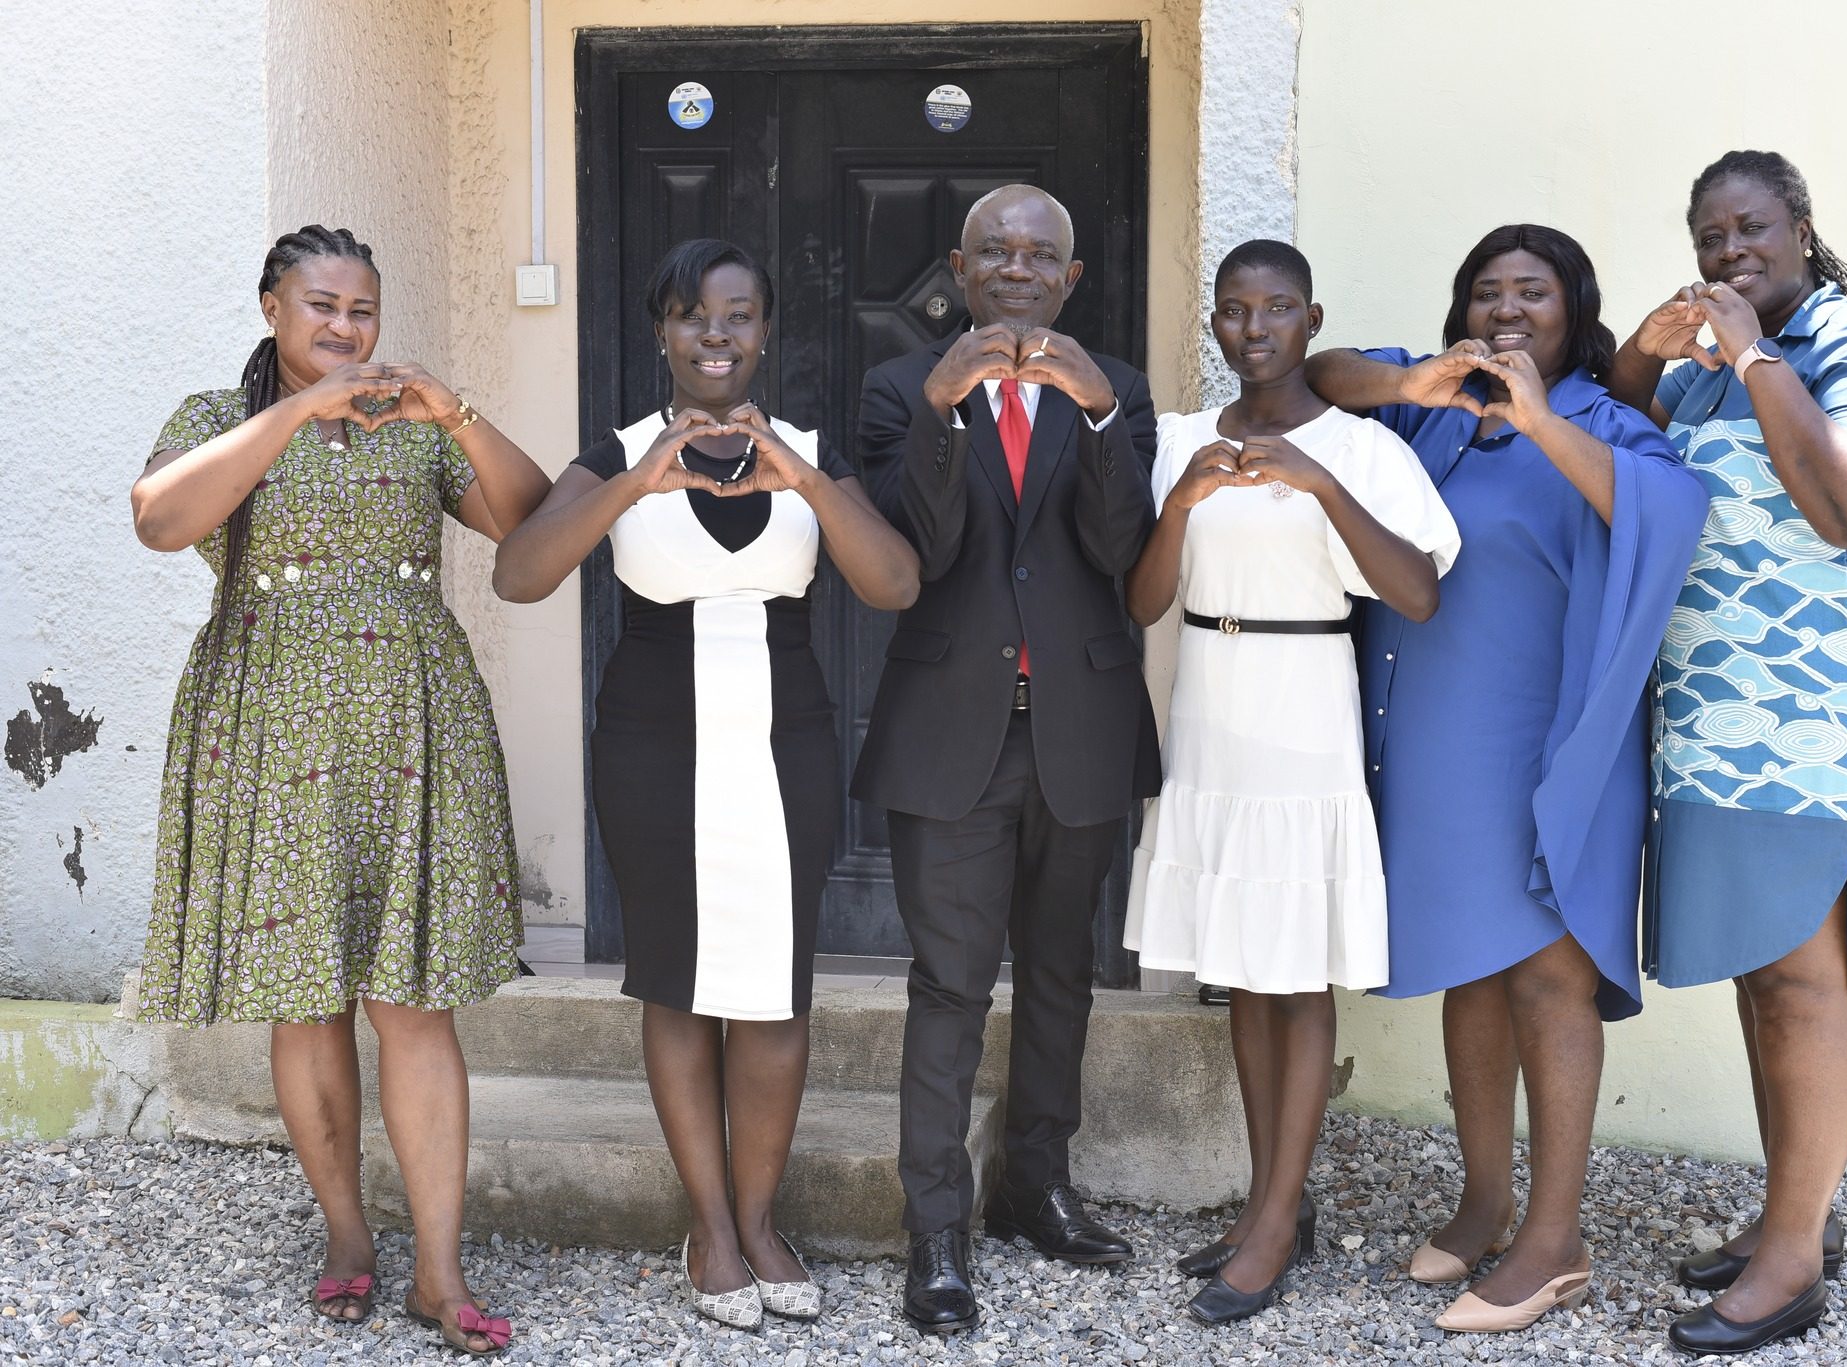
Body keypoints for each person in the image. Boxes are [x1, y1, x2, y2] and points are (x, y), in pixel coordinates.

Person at [131, 225, 553, 1356]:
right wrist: (295, 414)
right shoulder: (217, 419)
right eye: (320, 305)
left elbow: (536, 524)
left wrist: (453, 409)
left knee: (412, 996)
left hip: (411, 716)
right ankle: (346, 1238)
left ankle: (440, 1269)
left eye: (361, 309)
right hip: (268, 715)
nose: (344, 327)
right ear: (271, 306)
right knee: (306, 990)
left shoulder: (413, 424)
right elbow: (160, 519)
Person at [492, 238, 919, 1330]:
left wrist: (805, 478)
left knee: (773, 985)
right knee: (676, 979)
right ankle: (711, 1226)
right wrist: (638, 481)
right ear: (661, 333)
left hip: (785, 740)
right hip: (652, 739)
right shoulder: (618, 451)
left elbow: (893, 581)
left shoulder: (809, 450)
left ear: (766, 331)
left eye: (736, 315)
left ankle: (763, 1216)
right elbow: (521, 572)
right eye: (691, 315)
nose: (715, 335)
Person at [1308, 225, 1707, 1334]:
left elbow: (1663, 516)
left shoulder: (1607, 424)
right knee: (1470, 973)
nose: (1505, 308)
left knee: (1546, 978)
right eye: (1486, 291)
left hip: (1557, 745)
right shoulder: (1429, 409)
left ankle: (1554, 1237)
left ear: (1573, 311)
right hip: (1436, 744)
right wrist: (1407, 378)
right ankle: (1483, 1200)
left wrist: (1538, 415)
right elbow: (1318, 378)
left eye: (1531, 291)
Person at [1607, 151, 1847, 1357]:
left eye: (1748, 227)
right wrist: (1649, 348)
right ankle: (1789, 1211)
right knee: (1761, 963)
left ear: (1798, 227)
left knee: (1805, 972)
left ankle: (1795, 1258)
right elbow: (1623, 424)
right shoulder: (1706, 365)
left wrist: (1751, 357)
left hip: (1818, 696)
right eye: (1706, 235)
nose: (1726, 251)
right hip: (1714, 701)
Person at [1125, 239, 1459, 1326]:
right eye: (1232, 309)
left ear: (1311, 319)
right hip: (1210, 701)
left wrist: (1316, 487)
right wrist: (1179, 504)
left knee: (1294, 971)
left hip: (1303, 695)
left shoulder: (1357, 448)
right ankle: (1271, 1199)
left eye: (1275, 309)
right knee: (1240, 964)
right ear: (1212, 324)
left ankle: (1272, 1219)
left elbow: (1414, 592)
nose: (1253, 328)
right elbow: (1138, 603)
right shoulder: (1178, 438)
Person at [853, 184, 1160, 1335]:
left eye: (1042, 253)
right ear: (960, 268)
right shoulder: (898, 389)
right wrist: (940, 410)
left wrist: (1089, 415)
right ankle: (936, 1222)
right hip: (951, 735)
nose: (1019, 268)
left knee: (1060, 973)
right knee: (946, 983)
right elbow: (913, 552)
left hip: (1077, 724)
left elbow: (1124, 552)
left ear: (1070, 276)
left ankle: (1035, 1181)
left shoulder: (1117, 390)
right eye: (998, 251)